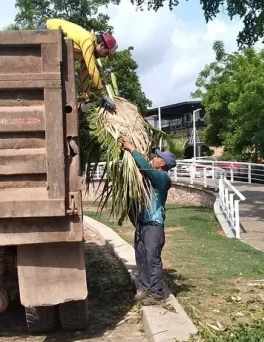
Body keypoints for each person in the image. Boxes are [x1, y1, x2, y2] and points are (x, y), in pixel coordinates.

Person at [119, 137, 176, 305]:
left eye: (158, 157)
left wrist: (132, 149)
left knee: (152, 259)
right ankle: (144, 288)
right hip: (143, 225)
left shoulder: (163, 179)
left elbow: (144, 168)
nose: (154, 157)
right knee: (141, 257)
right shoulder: (152, 179)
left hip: (154, 227)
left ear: (163, 163)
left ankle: (157, 294)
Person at [38, 19, 117, 112]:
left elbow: (85, 73)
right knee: (66, 76)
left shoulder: (88, 50)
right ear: (102, 45)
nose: (104, 57)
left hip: (55, 40)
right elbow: (93, 70)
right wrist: (103, 94)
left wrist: (87, 98)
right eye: (106, 54)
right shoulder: (88, 41)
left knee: (69, 74)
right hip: (47, 30)